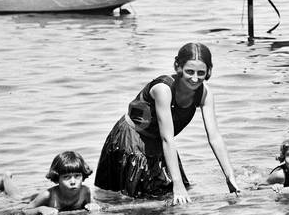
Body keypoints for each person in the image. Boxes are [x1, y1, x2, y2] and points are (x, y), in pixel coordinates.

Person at [95, 43, 242, 204]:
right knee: (132, 198)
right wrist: (177, 185)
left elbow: (214, 137)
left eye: (201, 73)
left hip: (160, 142)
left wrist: (229, 176)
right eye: (189, 72)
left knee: (168, 197)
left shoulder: (205, 94)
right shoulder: (163, 89)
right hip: (132, 140)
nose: (195, 78)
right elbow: (168, 139)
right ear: (178, 67)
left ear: (209, 71)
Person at [0, 151, 101, 215]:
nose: (73, 181)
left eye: (77, 176)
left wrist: (93, 205)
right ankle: (6, 178)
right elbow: (25, 210)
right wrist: (40, 209)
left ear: (83, 176)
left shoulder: (85, 191)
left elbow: (92, 204)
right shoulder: (47, 195)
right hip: (40, 198)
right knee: (17, 197)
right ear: (57, 179)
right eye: (66, 177)